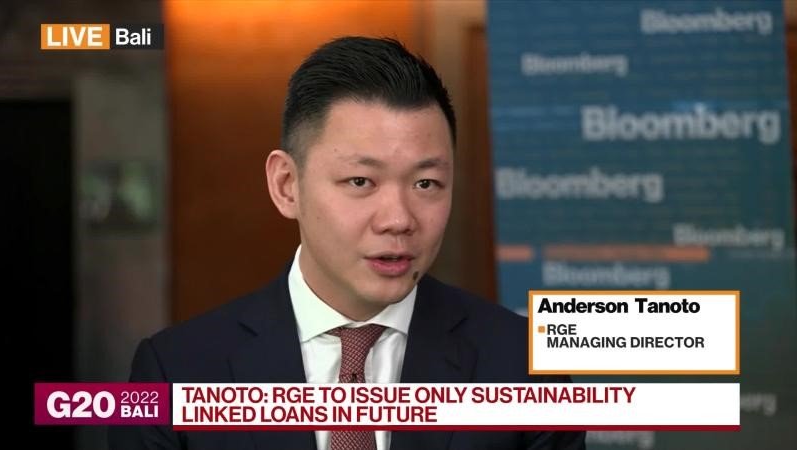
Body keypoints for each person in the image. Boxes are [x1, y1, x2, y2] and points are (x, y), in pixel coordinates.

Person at [108, 36, 586, 450]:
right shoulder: (176, 371)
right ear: (287, 185)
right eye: (361, 181)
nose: (398, 220)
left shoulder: (523, 368)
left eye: (426, 184)